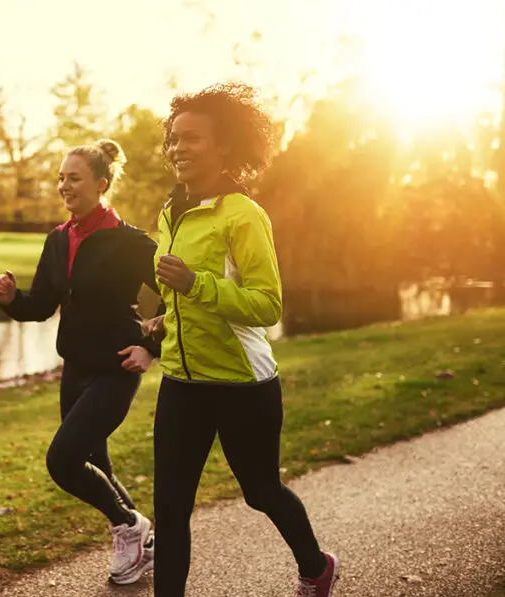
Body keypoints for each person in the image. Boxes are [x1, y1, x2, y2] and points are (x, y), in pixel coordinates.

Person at [146, 82, 340, 596]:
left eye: (192, 138)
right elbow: (181, 297)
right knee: (170, 506)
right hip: (181, 383)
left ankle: (316, 566)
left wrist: (195, 284)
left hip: (241, 386)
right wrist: (166, 319)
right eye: (174, 138)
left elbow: (267, 305)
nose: (179, 148)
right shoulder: (171, 212)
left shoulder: (243, 215)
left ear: (225, 146)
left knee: (261, 491)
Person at [0, 139, 161, 585]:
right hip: (76, 369)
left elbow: (177, 297)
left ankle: (129, 526)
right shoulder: (58, 239)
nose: (64, 186)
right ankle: (145, 543)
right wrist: (11, 299)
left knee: (63, 461)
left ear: (102, 184)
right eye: (61, 178)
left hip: (116, 367)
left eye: (75, 178)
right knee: (96, 464)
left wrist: (152, 347)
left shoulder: (131, 242)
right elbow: (42, 304)